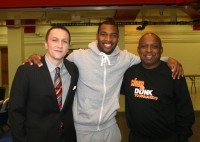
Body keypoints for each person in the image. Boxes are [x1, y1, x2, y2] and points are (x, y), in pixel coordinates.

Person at [25, 21, 184, 142]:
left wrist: (168, 60)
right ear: (97, 36)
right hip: (82, 131)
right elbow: (56, 59)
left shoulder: (124, 58)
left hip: (110, 129)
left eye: (113, 35)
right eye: (104, 34)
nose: (108, 39)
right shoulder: (79, 56)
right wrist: (38, 57)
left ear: (117, 38)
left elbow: (147, 57)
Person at [9, 26, 79, 142]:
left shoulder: (73, 70)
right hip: (36, 137)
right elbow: (15, 112)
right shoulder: (27, 70)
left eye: (65, 41)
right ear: (46, 44)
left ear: (68, 47)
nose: (60, 45)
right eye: (55, 40)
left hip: (67, 137)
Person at [121, 32, 195, 142]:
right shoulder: (129, 73)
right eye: (144, 46)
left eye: (154, 46)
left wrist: (183, 136)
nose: (149, 50)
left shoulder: (174, 73)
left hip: (168, 138)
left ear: (161, 50)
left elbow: (185, 110)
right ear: (138, 50)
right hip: (137, 138)